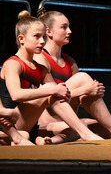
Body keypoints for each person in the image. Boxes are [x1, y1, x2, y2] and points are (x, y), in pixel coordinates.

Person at [1, 11, 104, 144]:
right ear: (21, 39)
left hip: (30, 125)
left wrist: (83, 93)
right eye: (37, 36)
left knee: (77, 123)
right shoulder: (13, 64)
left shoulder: (41, 69)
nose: (42, 41)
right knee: (51, 90)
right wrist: (53, 90)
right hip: (9, 123)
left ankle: (75, 135)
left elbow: (60, 94)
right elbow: (16, 95)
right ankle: (87, 135)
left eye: (43, 37)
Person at [34, 10, 111, 142]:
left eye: (69, 27)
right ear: (49, 32)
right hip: (50, 123)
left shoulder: (70, 61)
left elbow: (80, 99)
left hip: (72, 122)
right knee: (83, 78)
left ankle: (65, 139)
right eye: (64, 27)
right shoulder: (40, 58)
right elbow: (46, 99)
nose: (69, 31)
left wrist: (94, 95)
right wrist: (85, 90)